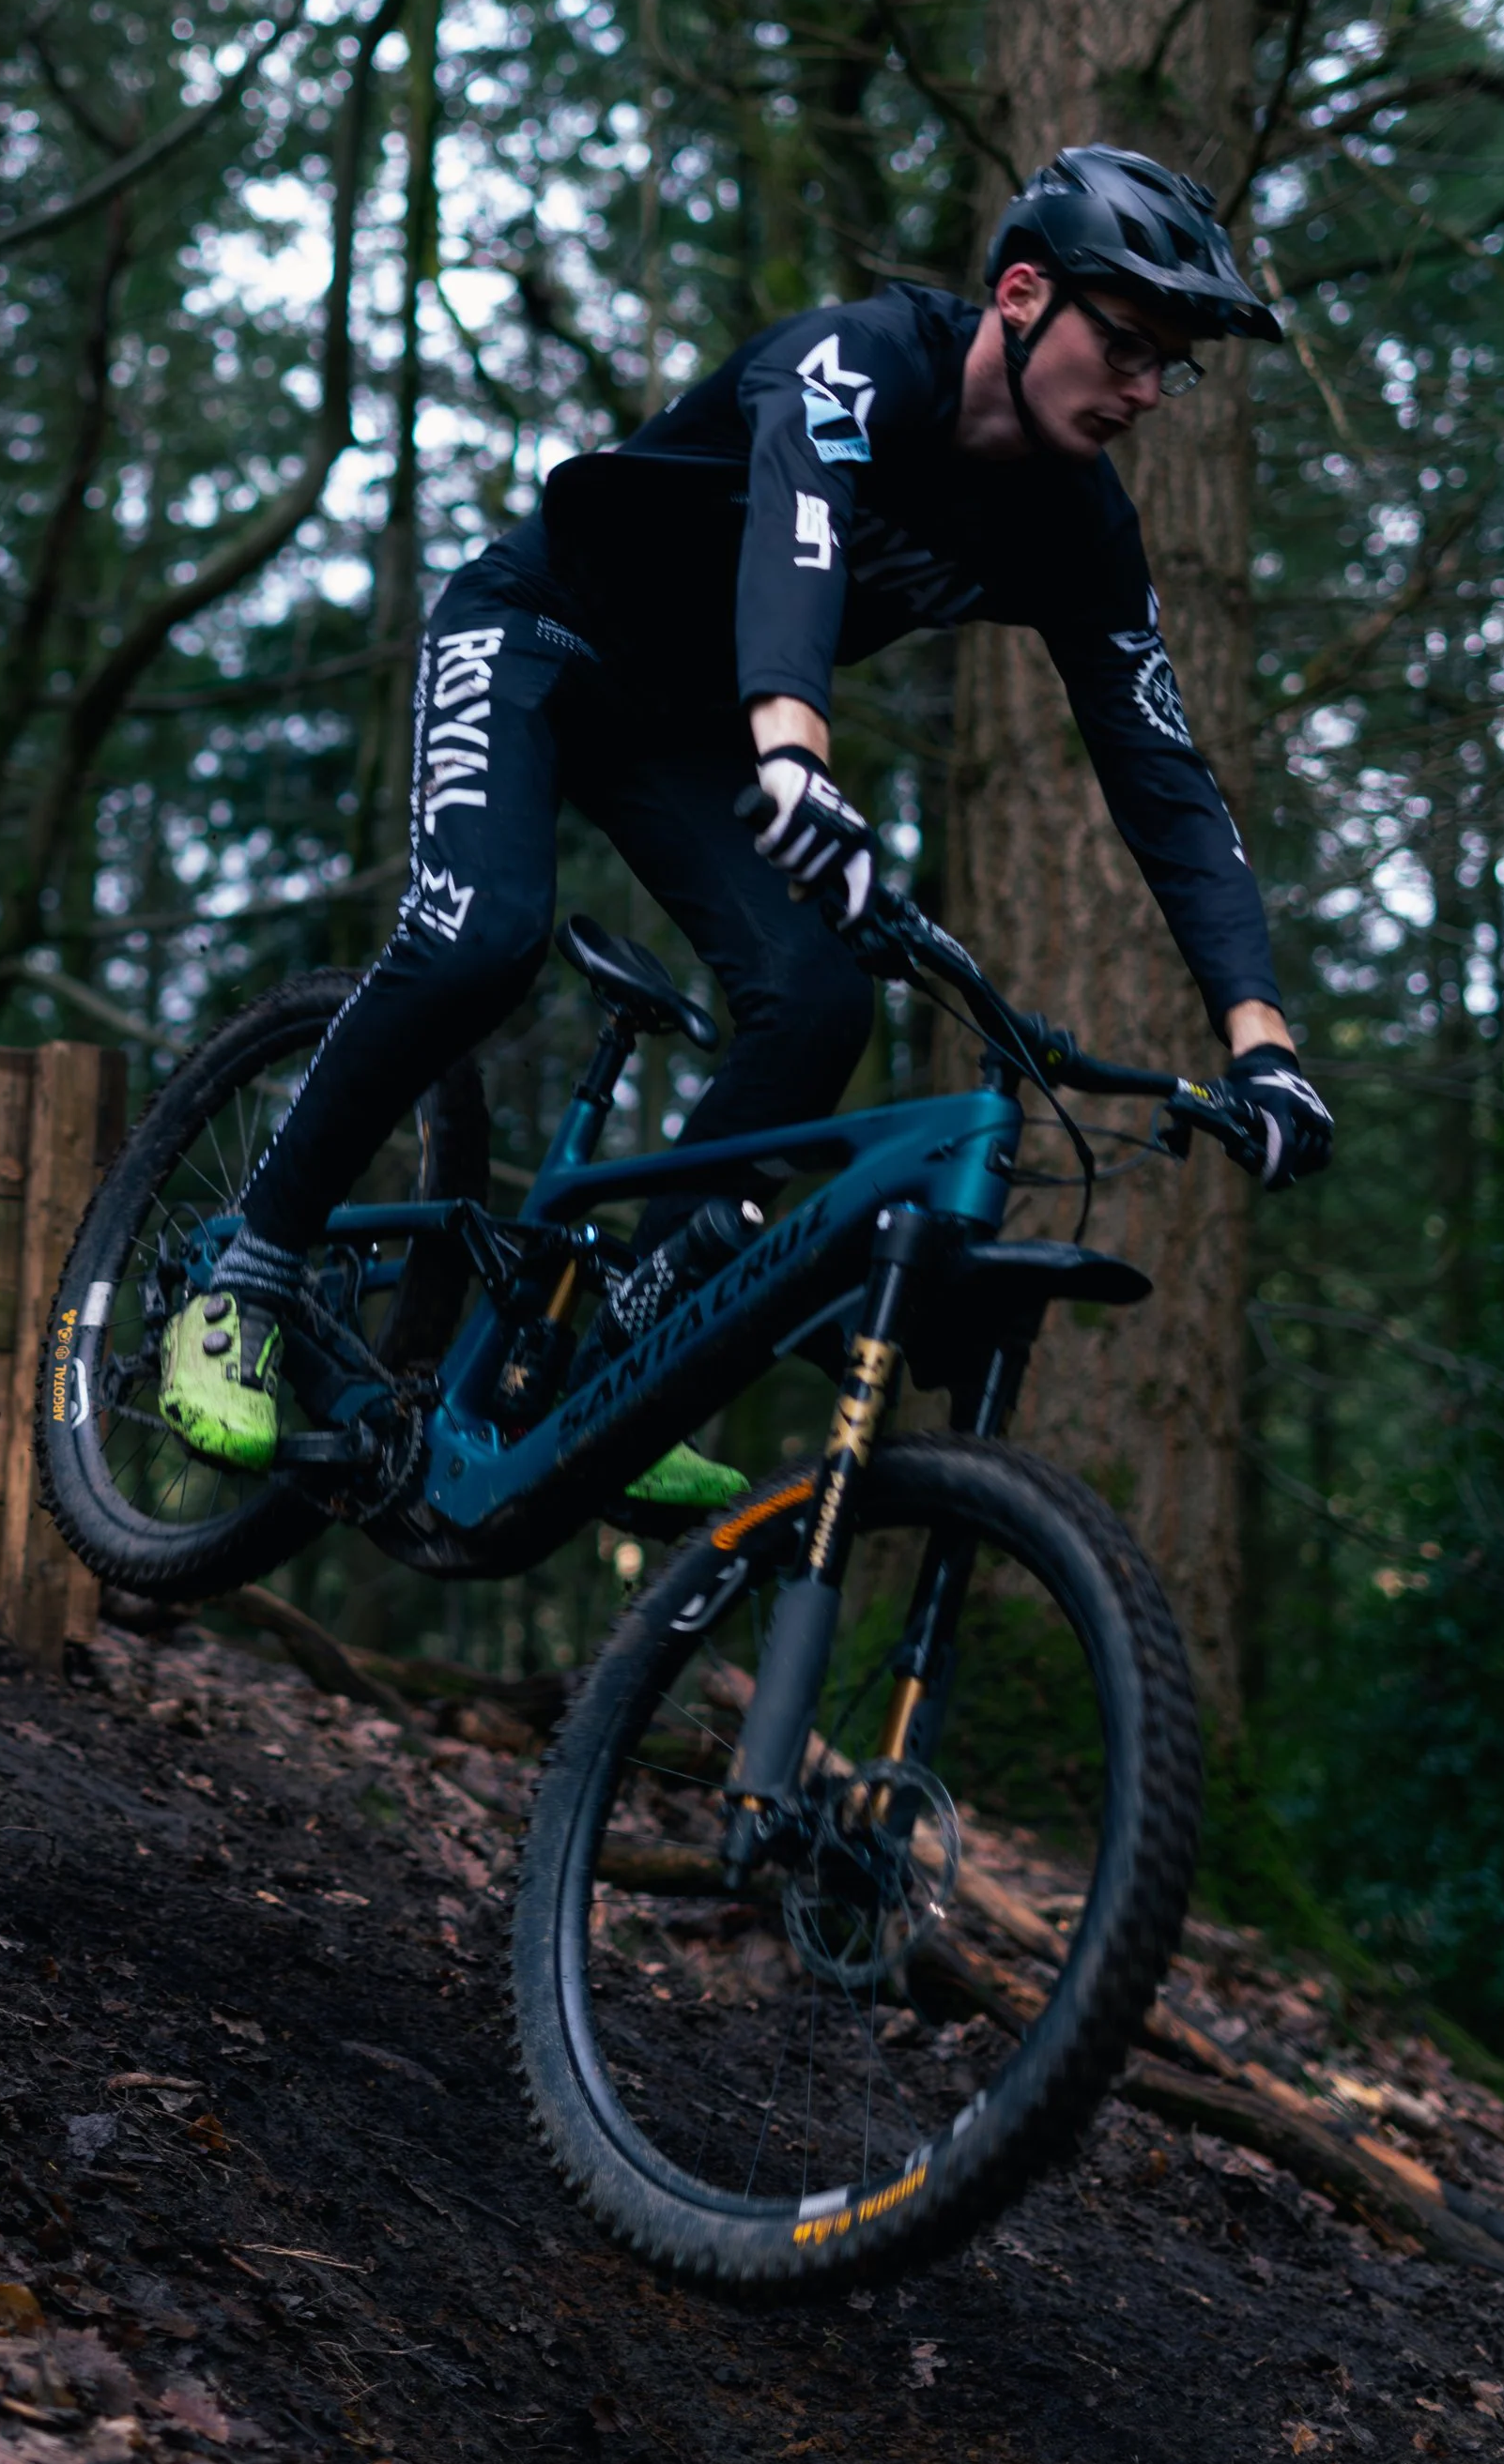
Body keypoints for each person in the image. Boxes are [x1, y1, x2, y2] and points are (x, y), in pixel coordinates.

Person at [161, 145, 1334, 1492]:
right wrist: (792, 744)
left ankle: (620, 1369)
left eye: (1169, 366)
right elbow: (801, 529)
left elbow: (1164, 776)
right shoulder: (861, 360)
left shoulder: (1079, 531)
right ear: (1021, 293)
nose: (1144, 390)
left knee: (821, 997)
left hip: (689, 728)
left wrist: (1264, 1043)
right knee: (484, 935)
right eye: (1126, 344)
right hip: (543, 633)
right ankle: (240, 1273)